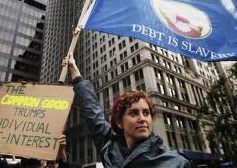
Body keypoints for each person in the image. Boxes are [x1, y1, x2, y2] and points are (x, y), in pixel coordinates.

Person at [62, 53, 191, 167]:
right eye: (133, 113)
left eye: (146, 113)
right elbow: (93, 113)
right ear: (119, 122)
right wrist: (73, 70)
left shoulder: (177, 163)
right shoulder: (110, 148)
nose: (142, 119)